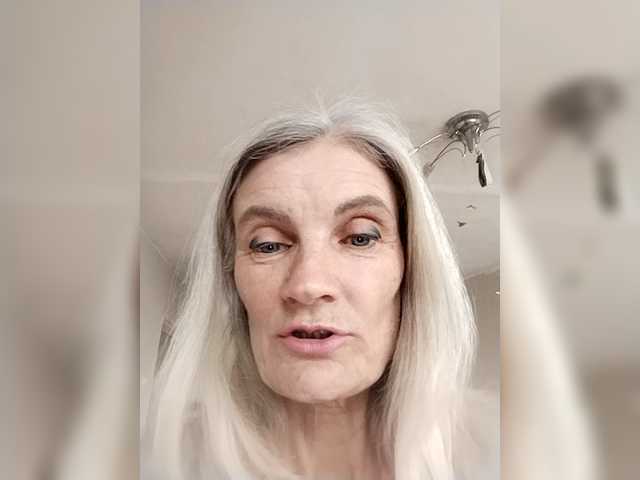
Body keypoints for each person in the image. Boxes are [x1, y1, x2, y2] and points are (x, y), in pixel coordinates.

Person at [143, 99, 484, 480]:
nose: (308, 285)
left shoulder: (496, 449)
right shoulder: (157, 456)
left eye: (360, 238)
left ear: (411, 269)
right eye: (268, 245)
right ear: (231, 281)